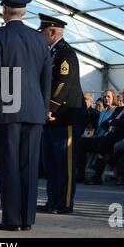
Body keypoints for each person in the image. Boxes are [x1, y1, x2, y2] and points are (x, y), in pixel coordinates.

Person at [0, 0, 52, 231]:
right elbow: (47, 79)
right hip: (34, 111)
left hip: (8, 108)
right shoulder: (40, 39)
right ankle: (27, 219)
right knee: (30, 167)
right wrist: (44, 109)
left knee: (9, 166)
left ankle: (11, 220)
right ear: (24, 12)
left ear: (4, 9)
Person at [37, 13, 87, 215]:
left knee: (64, 164)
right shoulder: (51, 53)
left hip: (64, 116)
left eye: (43, 31)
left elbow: (62, 84)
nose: (41, 35)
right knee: (50, 163)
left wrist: (51, 108)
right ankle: (52, 201)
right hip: (52, 118)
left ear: (52, 31)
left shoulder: (65, 54)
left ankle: (65, 203)